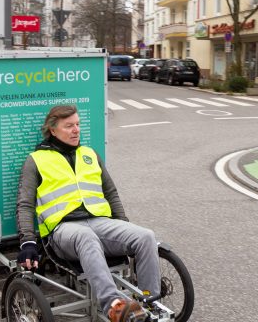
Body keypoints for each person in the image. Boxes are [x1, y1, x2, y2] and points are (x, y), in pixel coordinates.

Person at [16, 105, 160, 322]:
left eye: (77, 124)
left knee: (145, 236)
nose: (76, 130)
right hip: (62, 230)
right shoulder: (36, 160)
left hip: (99, 221)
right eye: (69, 126)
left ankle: (149, 303)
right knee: (86, 237)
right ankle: (114, 305)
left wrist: (123, 223)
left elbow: (111, 192)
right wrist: (27, 241)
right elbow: (25, 203)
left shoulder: (89, 154)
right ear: (53, 130)